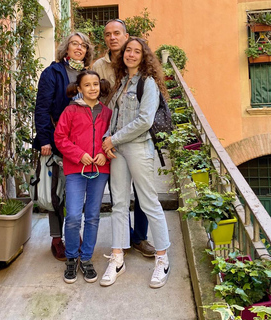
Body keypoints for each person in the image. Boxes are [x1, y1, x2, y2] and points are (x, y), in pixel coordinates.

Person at [100, 37, 171, 289]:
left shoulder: (147, 83)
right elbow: (114, 116)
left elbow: (144, 120)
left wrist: (113, 139)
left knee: (149, 202)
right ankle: (117, 258)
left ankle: (162, 259)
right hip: (117, 149)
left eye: (136, 51)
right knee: (118, 203)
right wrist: (108, 139)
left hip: (139, 147)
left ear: (144, 56)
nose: (130, 54)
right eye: (128, 50)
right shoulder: (121, 82)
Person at [92, 19, 156, 258]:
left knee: (142, 192)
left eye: (117, 33)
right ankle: (123, 238)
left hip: (136, 136)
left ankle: (139, 237)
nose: (112, 38)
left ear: (126, 35)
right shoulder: (100, 65)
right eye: (108, 34)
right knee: (118, 193)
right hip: (110, 136)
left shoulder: (136, 62)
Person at [33, 32, 93, 261]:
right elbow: (42, 108)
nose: (79, 48)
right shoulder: (53, 72)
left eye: (83, 45)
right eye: (74, 44)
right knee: (56, 191)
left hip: (83, 145)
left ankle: (73, 231)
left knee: (75, 191)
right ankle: (57, 239)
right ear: (65, 49)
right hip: (57, 143)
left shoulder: (88, 75)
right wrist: (45, 140)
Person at [54, 70, 112, 283]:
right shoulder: (70, 111)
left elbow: (112, 138)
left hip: (100, 171)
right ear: (79, 88)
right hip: (75, 170)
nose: (92, 88)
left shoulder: (107, 112)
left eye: (95, 84)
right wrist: (79, 155)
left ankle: (86, 258)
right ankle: (71, 258)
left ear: (100, 86)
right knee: (73, 217)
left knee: (93, 216)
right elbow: (60, 138)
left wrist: (104, 155)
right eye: (87, 85)